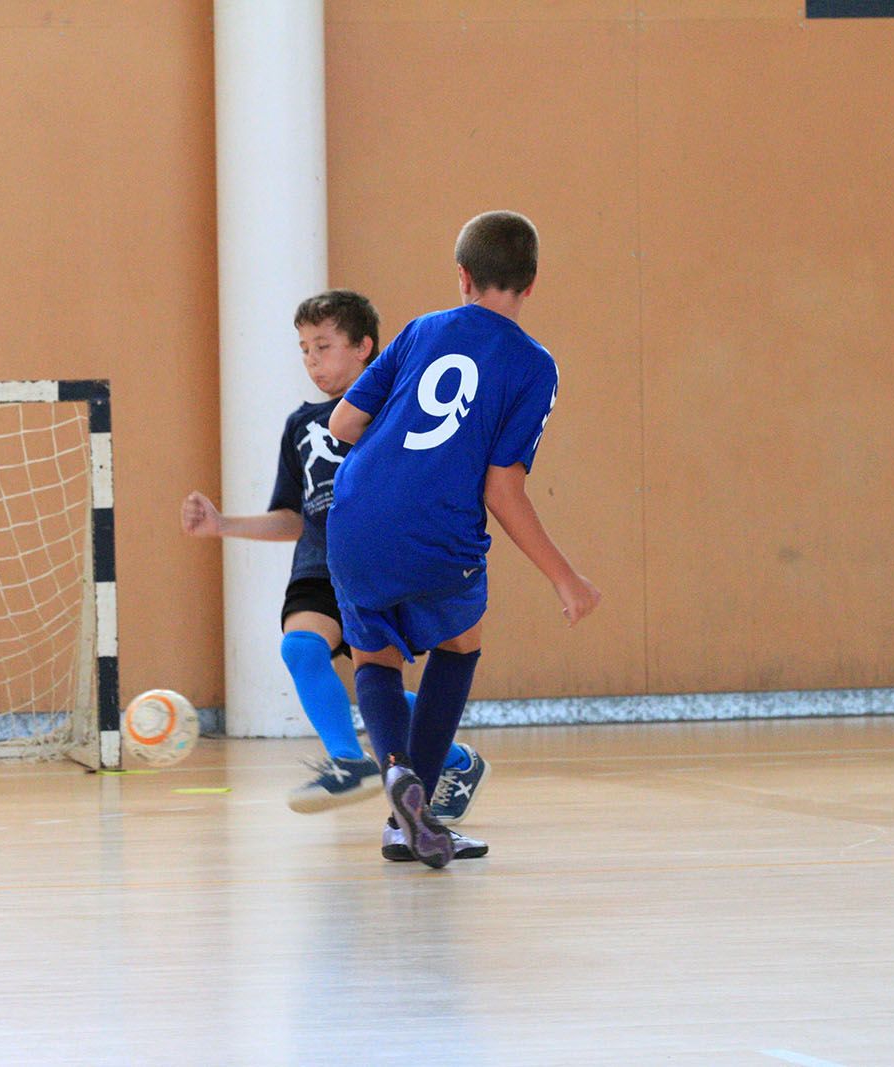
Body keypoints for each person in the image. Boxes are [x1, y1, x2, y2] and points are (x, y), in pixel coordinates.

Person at [327, 211, 601, 868]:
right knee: (459, 644)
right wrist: (565, 578)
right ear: (530, 284)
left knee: (374, 658)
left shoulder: (423, 329)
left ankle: (397, 780)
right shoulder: (534, 366)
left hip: (355, 514)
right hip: (437, 528)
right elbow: (502, 490)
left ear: (463, 276)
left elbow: (342, 423)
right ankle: (416, 805)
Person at [182, 290, 488, 816]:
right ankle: (350, 762)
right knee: (301, 649)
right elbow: (293, 517)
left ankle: (455, 759)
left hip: (381, 561)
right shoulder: (300, 425)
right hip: (321, 564)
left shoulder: (398, 408)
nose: (312, 360)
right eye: (304, 349)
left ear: (364, 346)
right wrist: (222, 525)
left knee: (380, 686)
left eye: (323, 346)